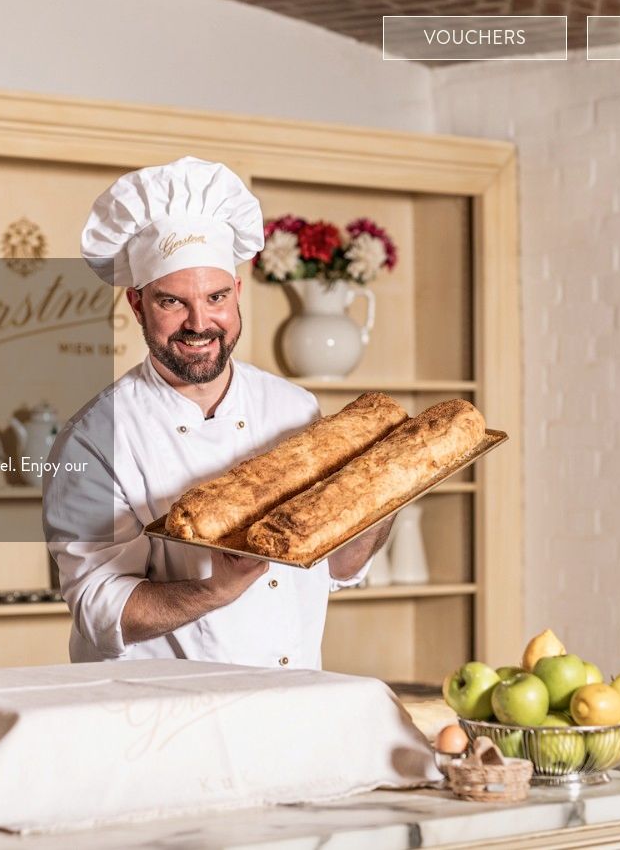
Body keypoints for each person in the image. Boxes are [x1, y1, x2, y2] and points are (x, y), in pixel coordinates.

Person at [42, 156, 392, 669]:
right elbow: (99, 609)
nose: (199, 322)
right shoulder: (93, 438)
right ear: (136, 304)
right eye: (172, 303)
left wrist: (388, 490)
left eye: (216, 296)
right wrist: (215, 590)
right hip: (159, 720)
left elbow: (337, 566)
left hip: (291, 707)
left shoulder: (294, 408)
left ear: (237, 294)